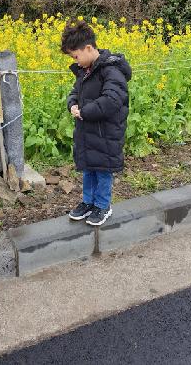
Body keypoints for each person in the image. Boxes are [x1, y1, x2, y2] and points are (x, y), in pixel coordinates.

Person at [61, 20, 132, 226]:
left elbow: (112, 100)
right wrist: (72, 104)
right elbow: (76, 92)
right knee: (89, 169)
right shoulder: (86, 70)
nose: (76, 61)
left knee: (102, 171)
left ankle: (103, 206)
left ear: (89, 48)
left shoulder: (111, 70)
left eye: (76, 56)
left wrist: (84, 112)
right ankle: (88, 202)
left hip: (106, 133)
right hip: (87, 131)